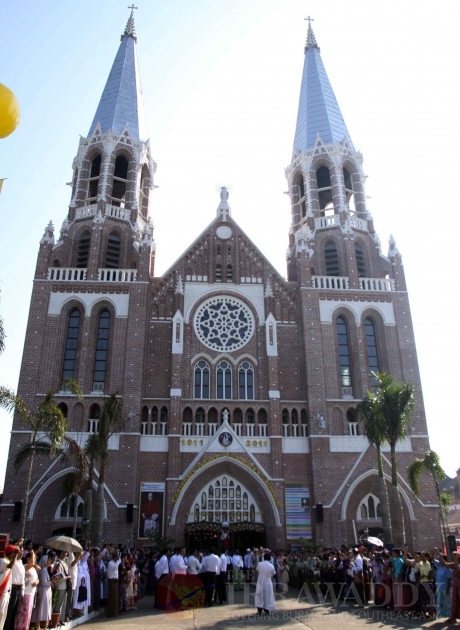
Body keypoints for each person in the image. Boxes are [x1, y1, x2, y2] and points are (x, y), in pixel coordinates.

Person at [32, 553, 58, 629]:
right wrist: (51, 581)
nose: (50, 561)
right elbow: (43, 582)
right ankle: (37, 626)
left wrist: (51, 581)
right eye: (49, 560)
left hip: (45, 592)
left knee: (42, 609)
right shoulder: (43, 571)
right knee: (40, 610)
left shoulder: (45, 570)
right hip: (43, 592)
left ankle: (39, 625)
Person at [14, 551, 39, 630]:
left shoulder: (33, 569)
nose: (34, 560)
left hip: (31, 594)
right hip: (25, 594)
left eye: (35, 559)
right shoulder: (24, 567)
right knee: (22, 614)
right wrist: (33, 553)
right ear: (28, 559)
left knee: (28, 615)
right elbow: (31, 564)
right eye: (33, 558)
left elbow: (38, 579)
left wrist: (36, 582)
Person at [436, 548, 460, 623]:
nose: (452, 557)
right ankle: (453, 618)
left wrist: (455, 568)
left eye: (454, 556)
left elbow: (457, 574)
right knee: (454, 603)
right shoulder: (453, 564)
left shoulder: (458, 565)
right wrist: (439, 554)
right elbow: (444, 564)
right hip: (455, 586)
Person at [4, 546, 24, 630]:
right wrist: (15, 553)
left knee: (15, 612)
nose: (21, 553)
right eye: (20, 551)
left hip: (19, 589)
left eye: (22, 551)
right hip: (13, 588)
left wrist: (22, 591)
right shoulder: (13, 560)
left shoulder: (20, 562)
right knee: (9, 611)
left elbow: (22, 578)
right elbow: (10, 564)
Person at [0, 545, 16, 630]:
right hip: (2, 592)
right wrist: (15, 556)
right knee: (1, 613)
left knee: (3, 615)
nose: (14, 556)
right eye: (14, 553)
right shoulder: (3, 561)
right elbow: (10, 565)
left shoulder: (7, 561)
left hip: (6, 592)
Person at [52, 550, 71, 624]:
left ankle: (61, 619)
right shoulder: (57, 563)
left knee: (63, 603)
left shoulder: (63, 562)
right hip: (60, 585)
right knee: (58, 604)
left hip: (64, 585)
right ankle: (56, 620)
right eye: (64, 552)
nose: (66, 554)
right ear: (60, 553)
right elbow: (59, 576)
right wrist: (67, 577)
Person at [432, 550, 451, 619]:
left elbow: (449, 579)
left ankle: (450, 616)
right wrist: (434, 552)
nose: (439, 560)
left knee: (447, 603)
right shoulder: (439, 566)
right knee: (440, 602)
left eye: (440, 559)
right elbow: (432, 560)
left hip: (445, 588)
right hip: (439, 588)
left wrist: (448, 588)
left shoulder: (447, 568)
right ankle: (442, 615)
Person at [106, 552, 121, 618]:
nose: (118, 558)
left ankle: (115, 612)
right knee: (112, 597)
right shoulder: (111, 563)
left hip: (116, 581)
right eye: (117, 557)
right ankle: (110, 612)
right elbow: (115, 568)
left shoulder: (115, 563)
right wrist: (118, 561)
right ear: (114, 557)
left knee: (115, 597)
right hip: (112, 581)